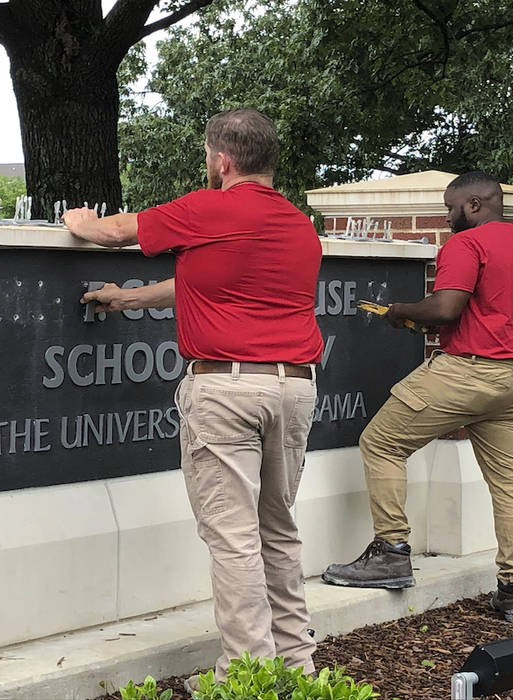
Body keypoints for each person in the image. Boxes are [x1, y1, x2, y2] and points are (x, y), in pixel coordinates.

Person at [62, 108, 322, 683]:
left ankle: (247, 679)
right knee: (278, 530)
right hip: (294, 387)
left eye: (208, 156)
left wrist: (79, 218)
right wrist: (129, 299)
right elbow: (206, 283)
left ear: (222, 160)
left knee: (233, 539)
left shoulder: (208, 208)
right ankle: (298, 669)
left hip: (226, 389)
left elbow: (114, 231)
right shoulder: (297, 225)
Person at [321, 171, 513, 625]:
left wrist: (400, 311)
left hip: (468, 372)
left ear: (474, 205)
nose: (447, 216)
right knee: (511, 483)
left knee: (381, 442)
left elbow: (446, 308)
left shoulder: (466, 244)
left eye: (451, 207)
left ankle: (391, 553)